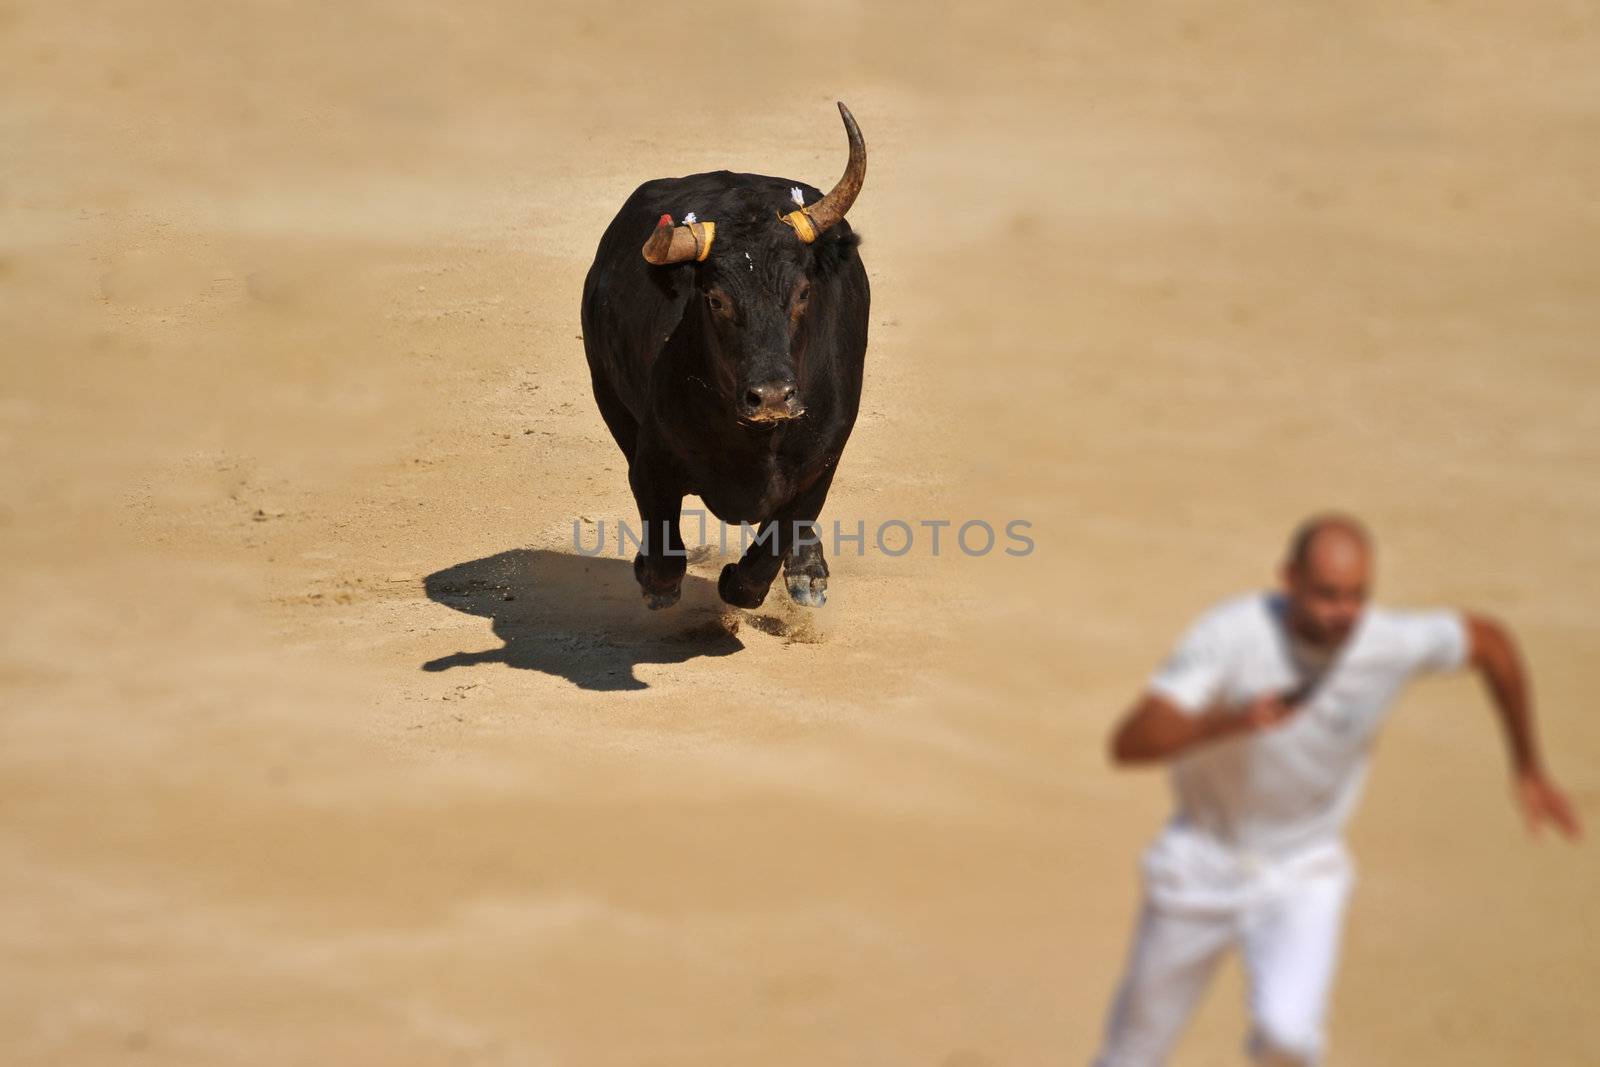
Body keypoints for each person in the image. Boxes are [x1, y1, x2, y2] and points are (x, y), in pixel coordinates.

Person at [1090, 512, 1581, 1067]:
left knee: (1290, 1038)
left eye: (1357, 596)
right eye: (1326, 595)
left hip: (1305, 869)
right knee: (1132, 1054)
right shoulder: (1230, 633)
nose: (1342, 614)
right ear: (1289, 579)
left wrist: (1528, 764)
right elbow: (1128, 744)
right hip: (1200, 862)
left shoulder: (1389, 642)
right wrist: (1229, 722)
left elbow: (1491, 643)